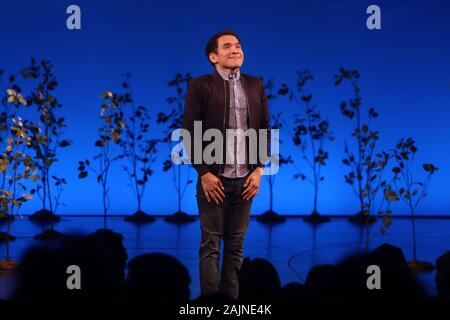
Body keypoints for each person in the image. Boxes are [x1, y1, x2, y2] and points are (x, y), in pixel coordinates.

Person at [182, 29, 270, 299]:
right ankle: (210, 303)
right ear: (213, 56)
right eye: (228, 46)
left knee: (236, 246)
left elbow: (265, 128)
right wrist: (204, 173)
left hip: (246, 179)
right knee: (210, 245)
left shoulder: (255, 84)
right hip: (214, 179)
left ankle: (230, 302)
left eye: (239, 45)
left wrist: (259, 170)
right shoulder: (200, 85)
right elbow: (190, 130)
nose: (236, 50)